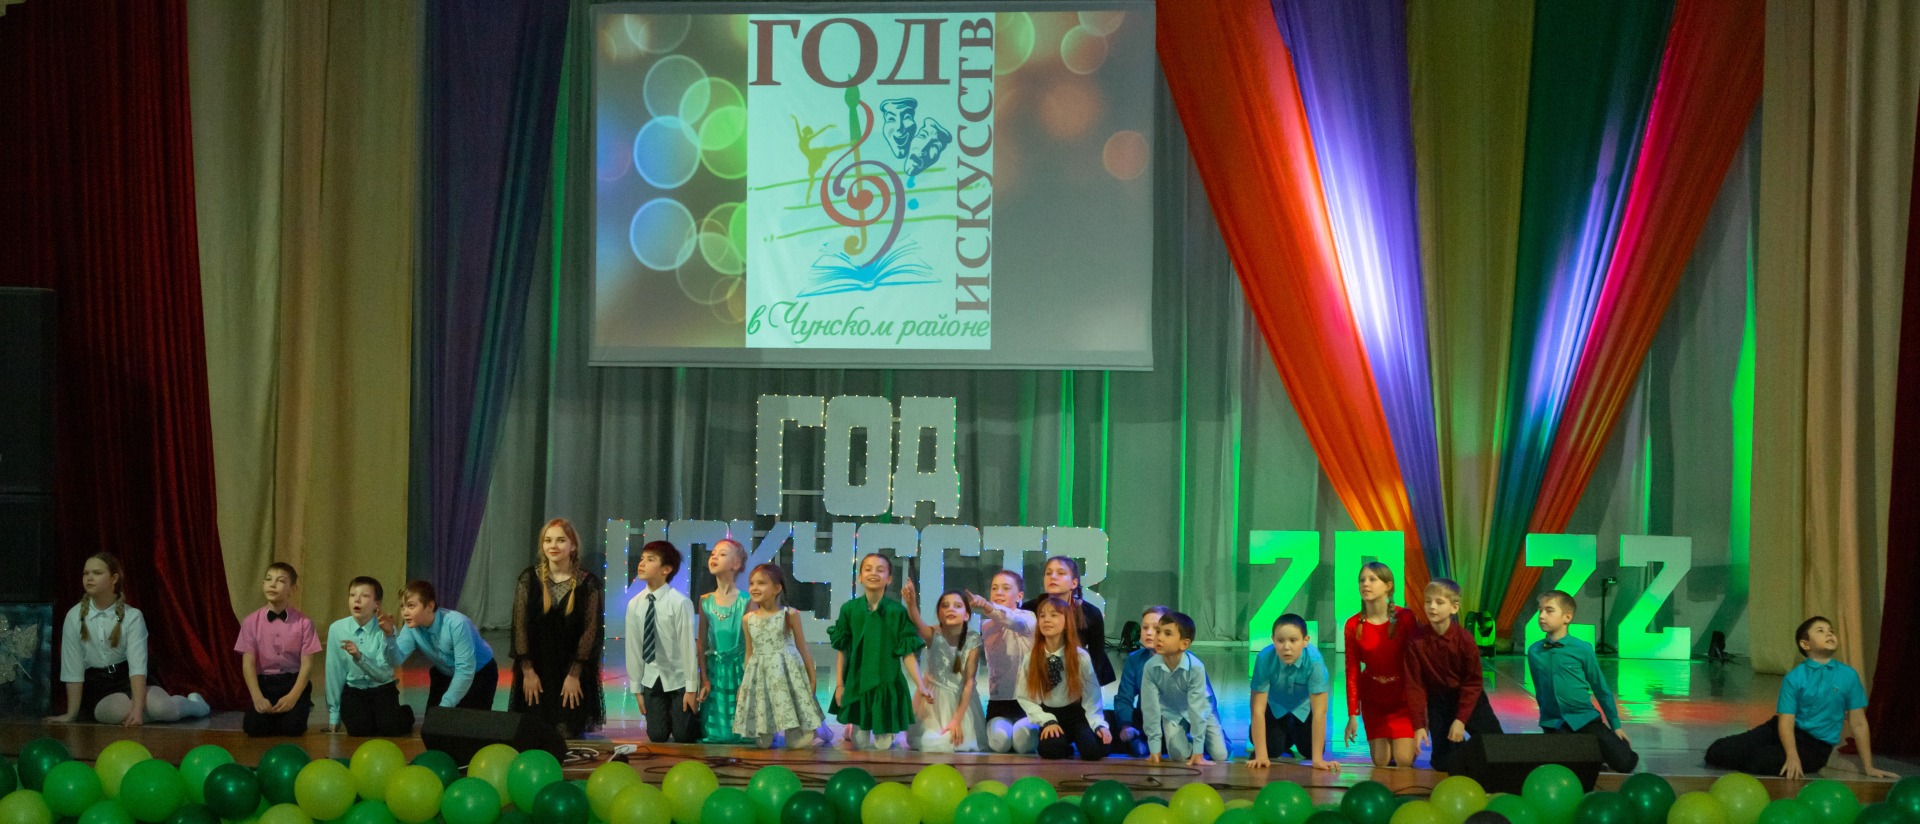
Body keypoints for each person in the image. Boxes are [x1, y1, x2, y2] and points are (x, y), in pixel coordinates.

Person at [1704, 616, 1896, 779]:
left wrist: (1868, 766)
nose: (1829, 634)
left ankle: (1764, 754)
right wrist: (1792, 754)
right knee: (1718, 752)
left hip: (1815, 746)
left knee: (1760, 761)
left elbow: (1859, 723)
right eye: (1820, 631)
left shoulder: (1849, 676)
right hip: (1780, 729)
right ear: (1805, 644)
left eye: (1831, 631)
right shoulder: (1795, 677)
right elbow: (1786, 721)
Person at [44, 553, 210, 726]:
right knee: (116, 712)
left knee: (162, 708)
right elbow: (73, 668)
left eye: (97, 573)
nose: (89, 578)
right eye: (86, 573)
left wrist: (138, 710)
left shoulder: (132, 616)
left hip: (128, 677)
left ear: (113, 579)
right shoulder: (74, 616)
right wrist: (71, 714)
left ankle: (197, 705)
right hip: (98, 685)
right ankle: (145, 713)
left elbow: (137, 666)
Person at [510, 518, 605, 738]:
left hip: (570, 669)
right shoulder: (528, 579)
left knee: (565, 733)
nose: (553, 545)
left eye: (561, 540)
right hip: (537, 669)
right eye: (548, 540)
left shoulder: (588, 583)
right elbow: (519, 628)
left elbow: (591, 632)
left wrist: (574, 674)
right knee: (533, 731)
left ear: (573, 546)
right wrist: (527, 671)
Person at [1529, 590, 1637, 773]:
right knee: (1568, 767)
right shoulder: (1534, 651)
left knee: (1625, 763)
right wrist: (1547, 723)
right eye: (1540, 610)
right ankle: (1589, 756)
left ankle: (1597, 753)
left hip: (1584, 719)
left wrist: (1616, 725)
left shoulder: (1582, 649)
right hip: (1555, 724)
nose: (1541, 616)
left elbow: (1601, 688)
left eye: (1549, 610)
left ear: (1567, 617)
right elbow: (1540, 691)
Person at [829, 553, 925, 750]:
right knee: (860, 744)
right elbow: (842, 650)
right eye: (868, 569)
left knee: (883, 746)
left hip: (886, 682)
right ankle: (852, 727)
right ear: (860, 577)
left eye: (880, 570)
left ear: (889, 579)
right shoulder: (849, 609)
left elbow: (907, 654)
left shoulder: (897, 611)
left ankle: (884, 728)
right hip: (858, 683)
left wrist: (921, 685)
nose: (873, 573)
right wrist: (840, 685)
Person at [1407, 578, 1502, 773]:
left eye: (1439, 602)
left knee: (1497, 749)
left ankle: (1469, 755)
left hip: (1470, 699)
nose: (1432, 607)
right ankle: (1460, 755)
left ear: (1454, 607)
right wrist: (1419, 725)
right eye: (1428, 601)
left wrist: (1460, 720)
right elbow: (1414, 686)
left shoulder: (1465, 640)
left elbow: (1473, 683)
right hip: (1440, 703)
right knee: (1443, 763)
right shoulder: (1416, 642)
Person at [734, 564, 828, 748]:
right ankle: (768, 730)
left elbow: (802, 648)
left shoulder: (789, 614)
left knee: (794, 731)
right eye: (752, 583)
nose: (754, 587)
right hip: (760, 674)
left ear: (777, 588)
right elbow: (749, 653)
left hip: (785, 672)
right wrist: (743, 685)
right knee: (763, 741)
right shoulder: (748, 619)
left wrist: (812, 677)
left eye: (761, 583)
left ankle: (798, 730)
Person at [1016, 595, 1112, 761]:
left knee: (1093, 750)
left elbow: (1092, 696)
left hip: (1077, 714)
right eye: (1042, 616)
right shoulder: (1031, 657)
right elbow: (1025, 697)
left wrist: (1098, 724)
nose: (1047, 620)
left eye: (1054, 615)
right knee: (1050, 751)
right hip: (1051, 714)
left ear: (1067, 621)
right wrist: (1046, 720)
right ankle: (1065, 745)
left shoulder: (1080, 657)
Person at [625, 541, 702, 743]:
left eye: (650, 559)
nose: (642, 563)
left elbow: (687, 648)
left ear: (666, 569)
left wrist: (691, 689)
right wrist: (637, 689)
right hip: (652, 678)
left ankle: (696, 719)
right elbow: (633, 648)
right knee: (657, 735)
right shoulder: (635, 604)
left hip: (678, 679)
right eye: (642, 558)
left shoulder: (679, 602)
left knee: (683, 735)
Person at [1344, 561, 1419, 768]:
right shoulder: (1353, 624)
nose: (1365, 584)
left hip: (1402, 699)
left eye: (1372, 579)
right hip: (1374, 700)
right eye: (1362, 580)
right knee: (1381, 762)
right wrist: (1353, 715)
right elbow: (1352, 671)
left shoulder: (1405, 618)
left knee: (1404, 760)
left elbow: (1416, 666)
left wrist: (1420, 715)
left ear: (1388, 586)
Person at [236, 562, 321, 736]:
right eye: (268, 579)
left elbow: (307, 665)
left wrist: (293, 696)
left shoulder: (304, 622)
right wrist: (257, 697)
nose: (272, 584)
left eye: (280, 581)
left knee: (293, 728)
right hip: (264, 683)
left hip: (292, 682)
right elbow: (248, 663)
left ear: (292, 589)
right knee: (253, 728)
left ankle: (300, 705)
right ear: (263, 584)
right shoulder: (250, 622)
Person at [324, 576, 414, 736]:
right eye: (352, 595)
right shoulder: (337, 629)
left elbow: (383, 675)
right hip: (354, 689)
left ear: (377, 604)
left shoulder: (386, 628)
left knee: (390, 728)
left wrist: (360, 657)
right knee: (359, 730)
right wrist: (334, 715)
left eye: (364, 596)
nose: (356, 600)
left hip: (382, 687)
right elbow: (334, 672)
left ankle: (405, 712)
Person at [902, 584, 986, 752]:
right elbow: (917, 623)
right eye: (945, 606)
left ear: (966, 615)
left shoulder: (973, 640)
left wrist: (956, 720)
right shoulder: (933, 633)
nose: (951, 609)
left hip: (961, 702)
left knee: (957, 743)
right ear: (939, 614)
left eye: (957, 606)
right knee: (931, 741)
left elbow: (968, 682)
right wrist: (911, 604)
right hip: (933, 702)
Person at [1249, 613, 1337, 770]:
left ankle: (1291, 732)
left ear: (1305, 641)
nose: (1286, 647)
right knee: (1272, 750)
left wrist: (1317, 759)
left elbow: (1320, 712)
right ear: (1273, 640)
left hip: (1303, 709)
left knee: (1309, 750)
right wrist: (1261, 756)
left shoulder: (1314, 660)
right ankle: (1284, 734)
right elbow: (1257, 709)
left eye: (1293, 640)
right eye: (1280, 641)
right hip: (1275, 708)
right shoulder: (1264, 658)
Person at [396, 580, 499, 712]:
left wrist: (444, 707)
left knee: (469, 723)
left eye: (411, 606)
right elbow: (396, 659)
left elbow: (465, 670)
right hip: (444, 673)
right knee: (433, 722)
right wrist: (388, 637)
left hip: (479, 674)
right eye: (402, 606)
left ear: (430, 606)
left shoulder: (457, 624)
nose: (405, 612)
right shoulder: (410, 628)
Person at [1141, 612, 1229, 765]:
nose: (1159, 637)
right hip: (1172, 711)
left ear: (1184, 644)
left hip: (1202, 709)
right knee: (1178, 756)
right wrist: (1154, 748)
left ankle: (1212, 741)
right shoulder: (1150, 667)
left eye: (1167, 633)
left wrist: (1198, 752)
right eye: (1158, 631)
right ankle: (1192, 743)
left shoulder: (1195, 667)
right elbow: (1150, 708)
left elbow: (1197, 709)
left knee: (1220, 755)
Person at [968, 570, 1035, 753]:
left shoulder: (1029, 618)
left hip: (1028, 702)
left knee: (1022, 741)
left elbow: (1010, 620)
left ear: (1019, 596)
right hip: (1000, 702)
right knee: (1000, 742)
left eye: (1005, 588)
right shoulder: (986, 626)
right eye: (994, 588)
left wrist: (987, 607)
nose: (998, 592)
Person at [1022, 557, 1116, 686]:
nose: (1053, 577)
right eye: (1048, 573)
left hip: (1076, 680)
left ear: (1074, 583)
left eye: (1060, 573)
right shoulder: (1029, 609)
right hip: (1036, 677)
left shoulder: (1090, 613)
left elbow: (1097, 656)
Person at [698, 539, 755, 744]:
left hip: (739, 668)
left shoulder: (746, 600)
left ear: (736, 564)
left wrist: (746, 680)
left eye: (722, 554)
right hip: (715, 670)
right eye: (713, 553)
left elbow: (751, 644)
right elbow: (702, 642)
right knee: (718, 733)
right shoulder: (705, 600)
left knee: (739, 731)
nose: (714, 556)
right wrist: (704, 678)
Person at [1112, 606, 1171, 758]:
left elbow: (1204, 702)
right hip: (1145, 719)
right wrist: (1126, 725)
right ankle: (1139, 742)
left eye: (1156, 628)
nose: (1149, 633)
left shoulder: (1186, 661)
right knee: (1106, 721)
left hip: (1175, 721)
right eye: (1145, 627)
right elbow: (1124, 697)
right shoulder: (1135, 658)